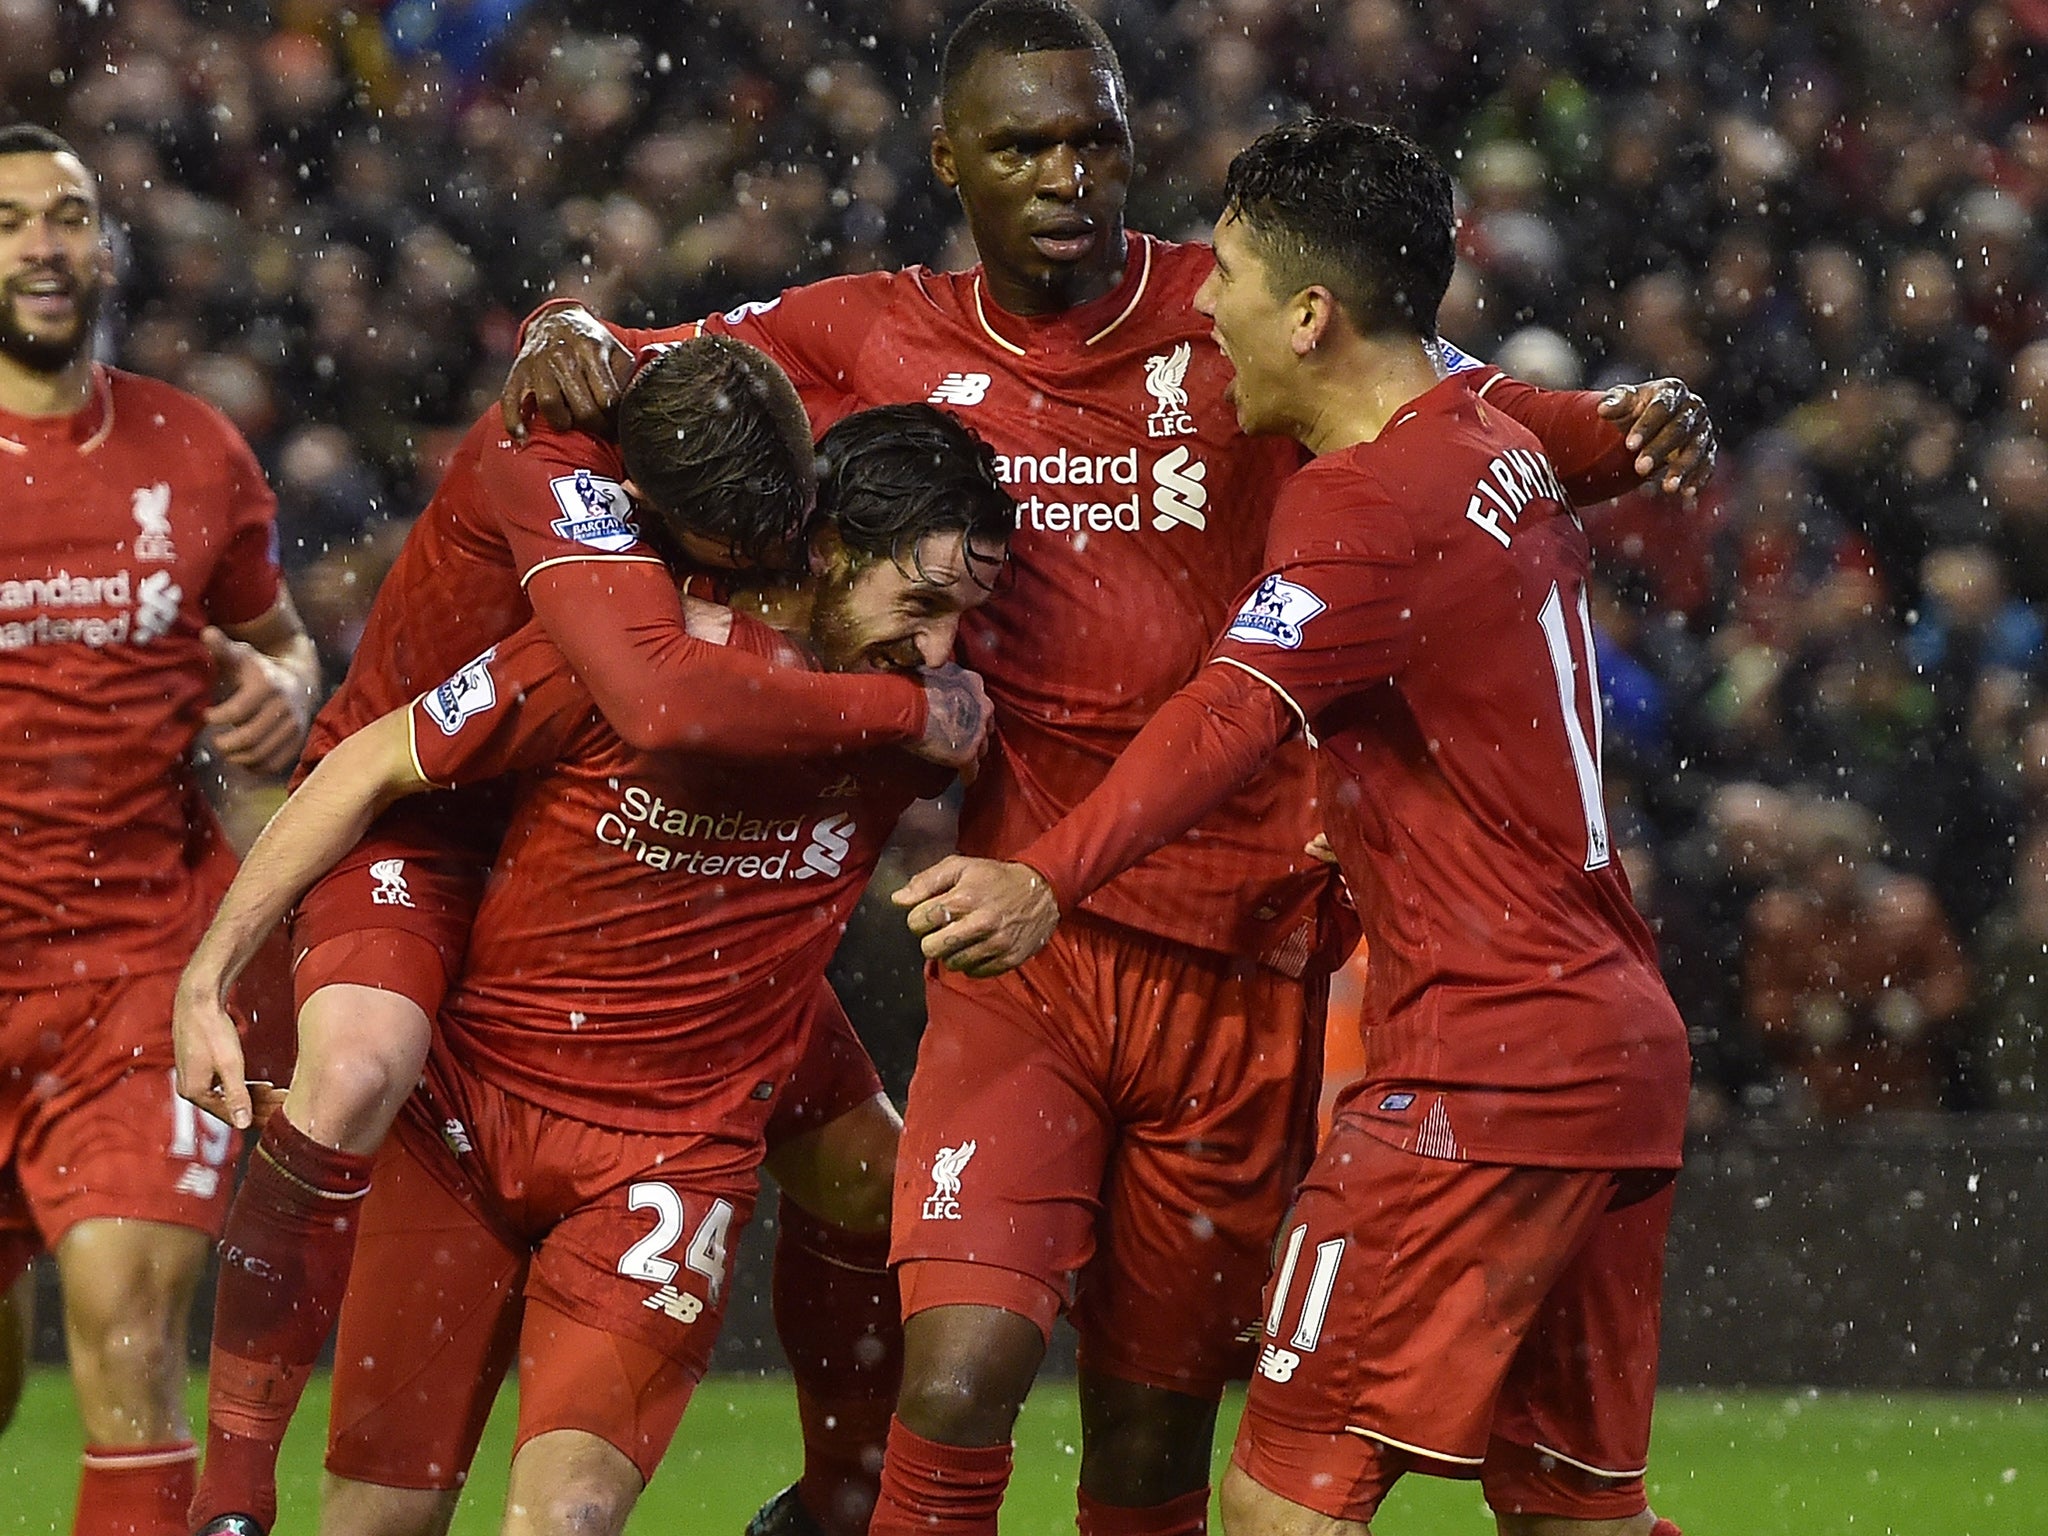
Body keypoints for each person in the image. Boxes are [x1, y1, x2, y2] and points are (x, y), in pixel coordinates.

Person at [502, 5, 1718, 1531]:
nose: (1070, 173)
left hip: (1241, 972)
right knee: (953, 1385)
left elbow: (1462, 402)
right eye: (1024, 145)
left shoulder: (1246, 305)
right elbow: (657, 376)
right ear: (950, 159)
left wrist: (1619, 427)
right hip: (1037, 962)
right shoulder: (869, 327)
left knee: (1156, 1458)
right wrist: (576, 333)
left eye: (1095, 138)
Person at [900, 117, 1691, 1536]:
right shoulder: (1489, 440)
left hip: (1479, 1071)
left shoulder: (1363, 503)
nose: (1205, 308)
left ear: (1312, 315)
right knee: (1580, 1518)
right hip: (1615, 1048)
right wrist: (1642, 422)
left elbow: (1231, 713)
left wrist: (1045, 876)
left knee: (1280, 1501)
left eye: (1237, 283)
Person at [174, 340, 990, 1536]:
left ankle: (832, 1504)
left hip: (665, 1157)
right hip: (469, 1103)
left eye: (957, 621)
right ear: (823, 550)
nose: (938, 653)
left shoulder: (938, 705)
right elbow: (371, 761)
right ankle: (229, 1498)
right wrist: (208, 977)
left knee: (881, 1197)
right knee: (370, 1517)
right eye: (918, 610)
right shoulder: (616, 646)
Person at [0, 124, 319, 1536]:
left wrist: (281, 686)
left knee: (129, 1342)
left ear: (107, 246)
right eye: (8, 221)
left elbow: (281, 643)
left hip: (133, 970)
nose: (43, 245)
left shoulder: (193, 451)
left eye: (67, 215)